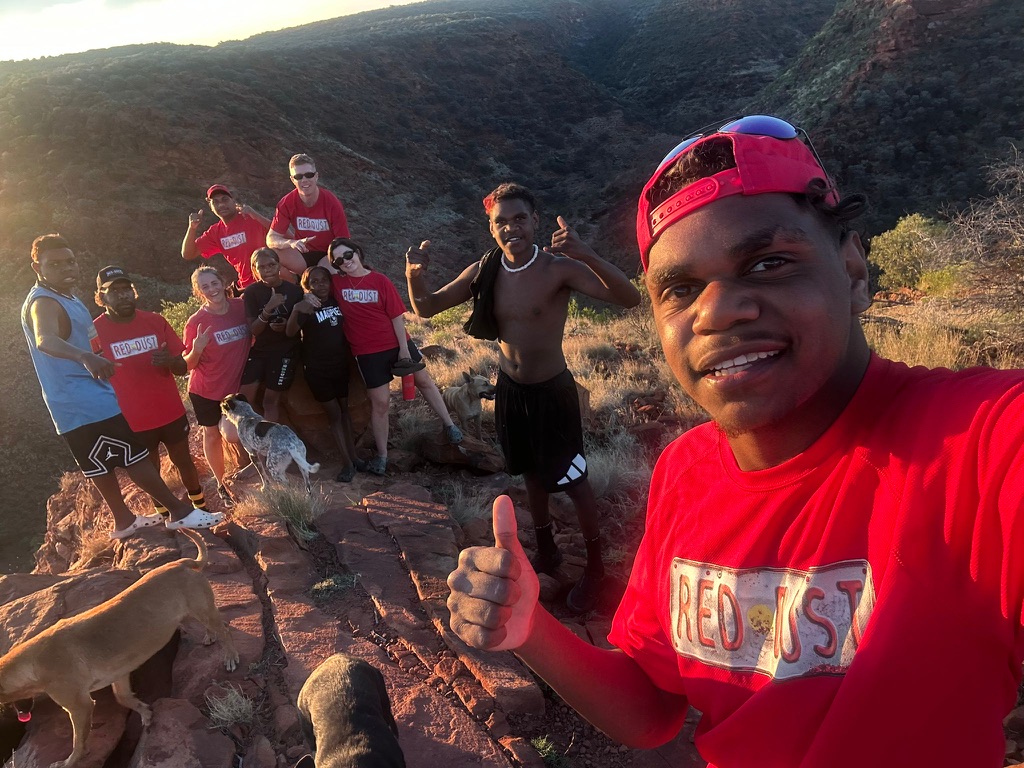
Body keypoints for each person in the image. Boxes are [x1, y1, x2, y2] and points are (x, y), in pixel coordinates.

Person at [446, 116, 1024, 766]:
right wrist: (528, 629)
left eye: (768, 263)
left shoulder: (975, 446)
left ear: (853, 270)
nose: (717, 312)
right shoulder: (685, 471)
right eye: (680, 289)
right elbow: (649, 708)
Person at [406, 182, 641, 612]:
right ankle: (548, 552)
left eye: (519, 219)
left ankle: (596, 571)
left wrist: (586, 253)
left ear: (535, 220)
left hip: (553, 394)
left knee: (575, 482)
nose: (511, 228)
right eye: (502, 222)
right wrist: (413, 276)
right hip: (511, 392)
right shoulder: (485, 269)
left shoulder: (557, 269)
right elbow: (426, 308)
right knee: (530, 473)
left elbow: (628, 298)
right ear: (491, 228)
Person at [21, 235, 223, 538]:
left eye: (70, 261)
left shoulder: (67, 297)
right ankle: (179, 513)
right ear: (37, 267)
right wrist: (86, 357)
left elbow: (180, 364)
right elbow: (44, 339)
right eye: (55, 264)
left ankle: (124, 520)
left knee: (97, 464)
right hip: (82, 397)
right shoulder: (44, 302)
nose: (66, 268)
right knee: (136, 456)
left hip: (74, 402)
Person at [327, 237, 462, 476]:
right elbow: (311, 281)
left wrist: (403, 349)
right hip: (367, 352)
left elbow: (396, 316)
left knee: (424, 381)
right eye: (338, 260)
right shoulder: (335, 284)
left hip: (396, 343)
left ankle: (449, 425)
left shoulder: (380, 280)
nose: (346, 262)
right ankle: (382, 456)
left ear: (357, 252)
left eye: (348, 255)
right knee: (380, 403)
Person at [92, 265, 208, 516]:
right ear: (101, 297)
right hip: (133, 420)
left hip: (170, 411)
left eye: (126, 289)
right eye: (114, 291)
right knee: (150, 469)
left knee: (183, 460)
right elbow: (90, 378)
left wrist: (170, 361)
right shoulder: (94, 333)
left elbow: (181, 368)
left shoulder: (155, 321)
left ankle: (200, 509)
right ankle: (167, 515)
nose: (122, 295)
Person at [183, 265, 252, 507]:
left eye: (214, 283)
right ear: (198, 291)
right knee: (212, 435)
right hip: (206, 390)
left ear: (223, 283)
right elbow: (188, 364)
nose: (211, 289)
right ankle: (221, 483)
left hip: (234, 390)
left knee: (232, 434)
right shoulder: (196, 322)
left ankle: (251, 465)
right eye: (205, 286)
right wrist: (197, 349)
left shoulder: (240, 307)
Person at [285, 266, 362, 482]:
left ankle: (355, 457)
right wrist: (297, 309)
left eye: (324, 280)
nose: (321, 285)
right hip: (318, 369)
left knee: (345, 411)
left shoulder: (336, 302)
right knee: (334, 415)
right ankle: (346, 464)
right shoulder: (307, 306)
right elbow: (290, 332)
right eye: (315, 282)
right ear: (307, 286)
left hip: (340, 365)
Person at [240, 248, 304, 424]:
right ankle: (250, 436)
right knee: (245, 399)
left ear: (279, 265)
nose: (267, 270)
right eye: (261, 267)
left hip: (286, 350)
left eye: (271, 265)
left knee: (270, 401)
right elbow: (254, 330)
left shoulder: (294, 291)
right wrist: (268, 309)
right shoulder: (252, 292)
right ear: (254, 269)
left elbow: (300, 325)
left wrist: (286, 325)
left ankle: (269, 437)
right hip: (261, 350)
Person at [267, 154, 350, 276]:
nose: (304, 180)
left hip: (329, 254)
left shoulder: (331, 202)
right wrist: (291, 243)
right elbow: (271, 239)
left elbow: (344, 241)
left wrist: (331, 258)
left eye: (309, 175)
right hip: (302, 254)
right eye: (299, 176)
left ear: (316, 176)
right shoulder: (287, 203)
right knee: (270, 255)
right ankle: (293, 283)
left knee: (321, 274)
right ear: (292, 180)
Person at [181, 184, 274, 291]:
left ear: (233, 200)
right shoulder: (215, 232)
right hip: (245, 286)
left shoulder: (250, 217)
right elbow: (188, 254)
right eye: (215, 202)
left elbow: (280, 233)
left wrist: (256, 215)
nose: (221, 205)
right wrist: (192, 228)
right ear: (211, 207)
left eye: (225, 199)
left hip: (268, 280)